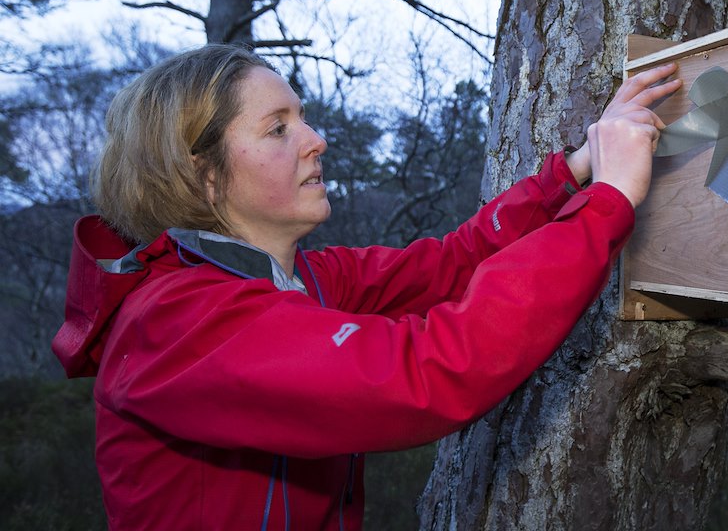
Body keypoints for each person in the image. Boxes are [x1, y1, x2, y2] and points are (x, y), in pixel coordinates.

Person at [52, 44, 681, 530]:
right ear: (204, 176)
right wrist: (609, 203)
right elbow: (428, 373)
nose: (316, 139)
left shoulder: (302, 282)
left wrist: (572, 178)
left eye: (302, 118)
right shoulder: (177, 323)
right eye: (278, 128)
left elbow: (452, 265)